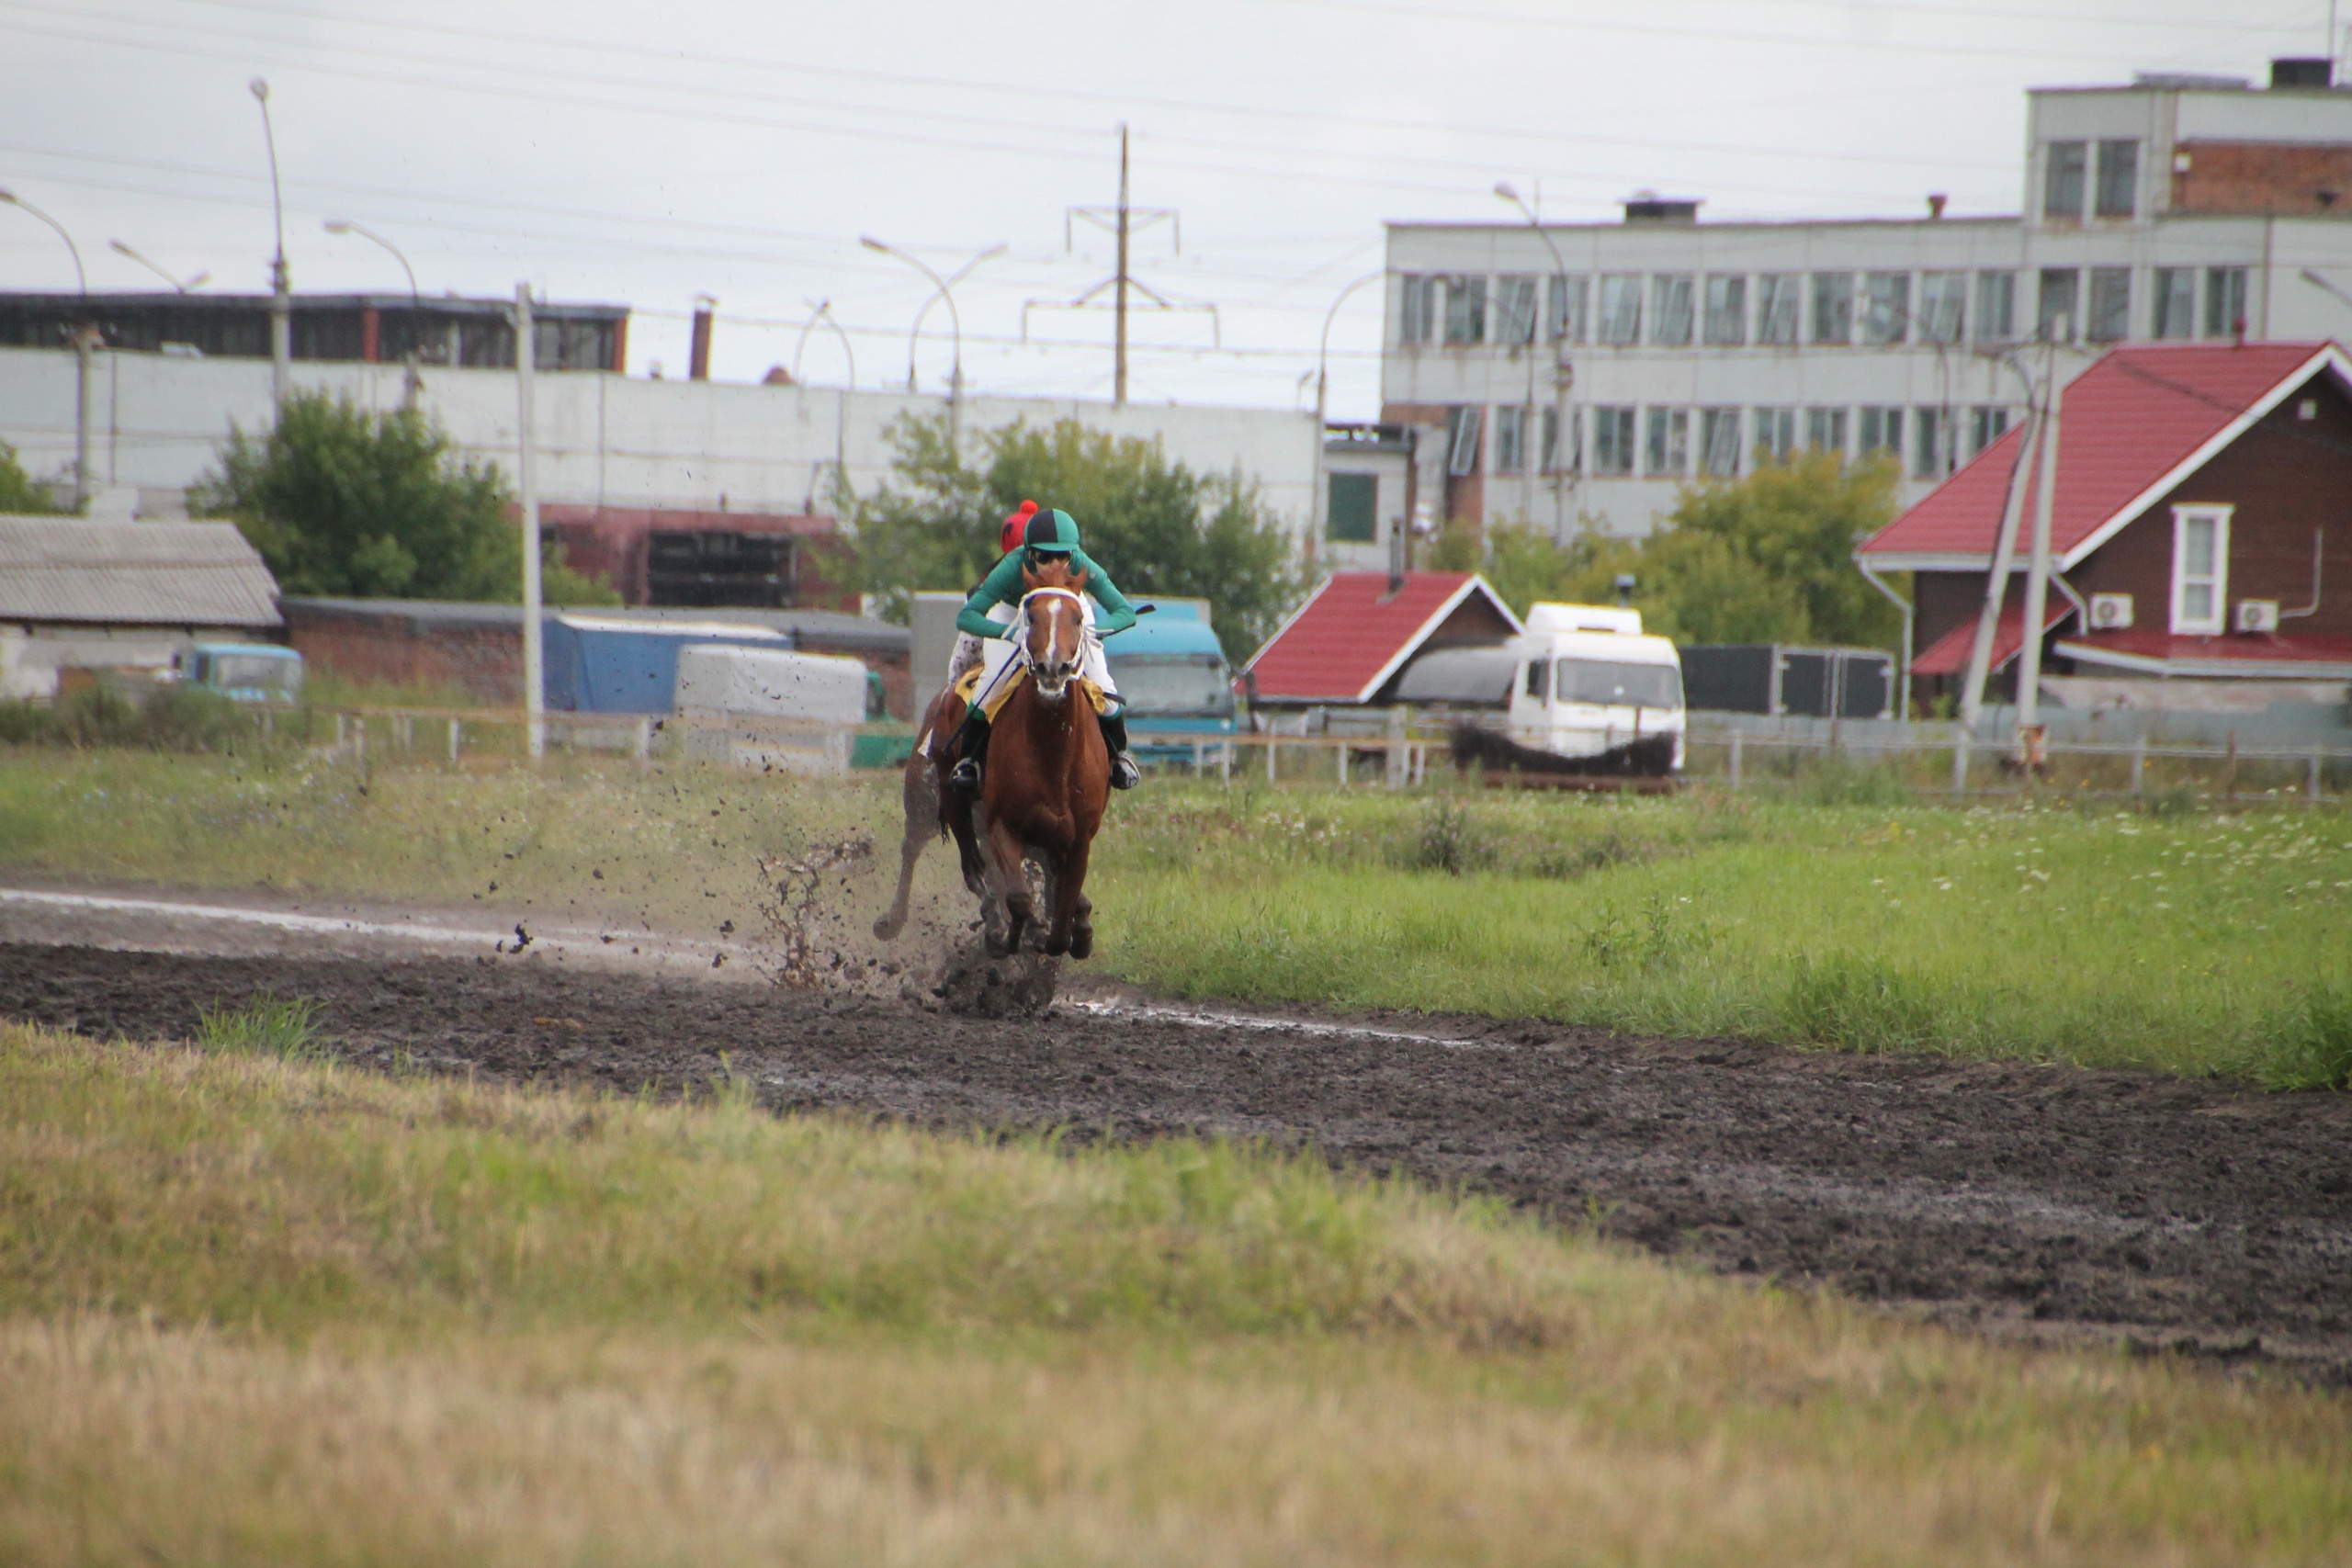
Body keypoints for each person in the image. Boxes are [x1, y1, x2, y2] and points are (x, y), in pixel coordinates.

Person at [947, 506, 1141, 798]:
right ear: (1029, 553)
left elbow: (1124, 612)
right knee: (991, 685)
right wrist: (1007, 632)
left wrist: (1097, 631)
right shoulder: (1013, 567)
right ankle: (969, 762)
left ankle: (1120, 758)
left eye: (1063, 556)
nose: (1055, 565)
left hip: (1069, 609)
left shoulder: (1082, 564)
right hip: (1014, 612)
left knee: (1103, 686)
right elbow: (967, 616)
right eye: (1044, 557)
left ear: (1073, 553)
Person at [944, 500, 1039, 688]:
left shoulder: (994, 569)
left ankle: (951, 695)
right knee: (964, 664)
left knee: (959, 668)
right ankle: (953, 697)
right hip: (1000, 630)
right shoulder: (997, 573)